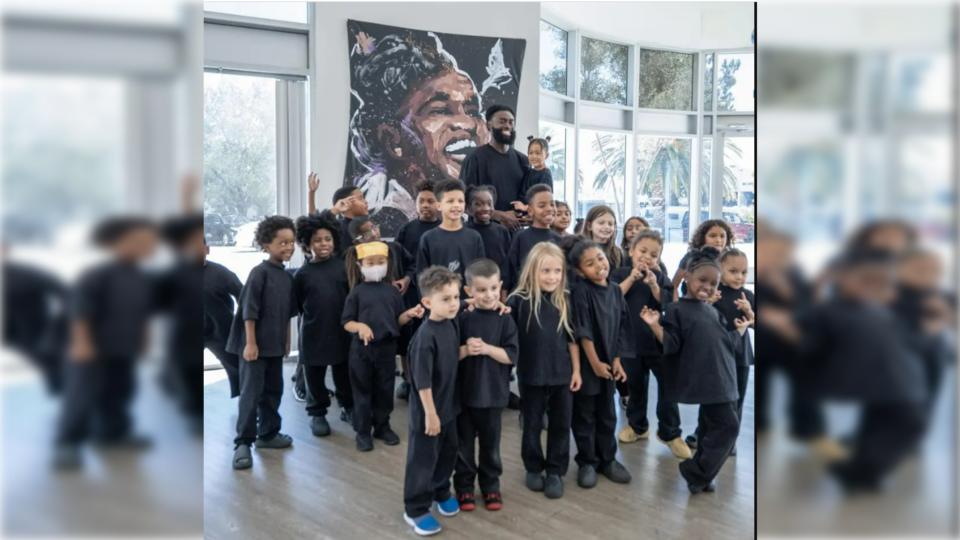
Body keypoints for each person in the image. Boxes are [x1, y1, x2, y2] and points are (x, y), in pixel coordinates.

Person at [761, 248, 926, 493]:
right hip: (882, 380)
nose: (878, 288)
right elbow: (810, 345)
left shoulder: (878, 312)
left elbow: (906, 340)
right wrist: (785, 326)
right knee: (908, 422)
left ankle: (862, 471)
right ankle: (862, 471)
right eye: (867, 281)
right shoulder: (831, 313)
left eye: (882, 283)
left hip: (893, 377)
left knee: (880, 424)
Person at [346, 32, 494, 237]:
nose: (467, 123)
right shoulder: (384, 223)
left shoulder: (475, 218)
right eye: (440, 110)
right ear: (393, 140)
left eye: (473, 111)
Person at [641, 247, 753, 494]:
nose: (707, 287)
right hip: (707, 380)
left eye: (713, 283)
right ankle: (697, 471)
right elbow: (671, 344)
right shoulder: (676, 310)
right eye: (702, 280)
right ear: (688, 276)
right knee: (729, 426)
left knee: (710, 427)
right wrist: (654, 325)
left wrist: (740, 330)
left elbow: (726, 342)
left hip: (724, 377)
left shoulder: (712, 311)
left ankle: (700, 476)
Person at [53, 217, 159, 470]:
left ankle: (113, 434)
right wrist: (82, 343)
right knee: (83, 395)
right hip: (93, 348)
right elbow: (79, 311)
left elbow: (142, 312)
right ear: (117, 243)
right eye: (138, 240)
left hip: (122, 347)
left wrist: (144, 338)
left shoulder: (140, 277)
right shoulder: (98, 274)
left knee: (120, 391)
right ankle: (67, 443)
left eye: (149, 241)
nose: (146, 245)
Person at [506, 242, 579, 499]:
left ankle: (556, 471)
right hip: (531, 376)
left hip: (562, 375)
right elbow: (506, 337)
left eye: (557, 271)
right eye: (545, 271)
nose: (552, 277)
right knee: (532, 424)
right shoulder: (517, 301)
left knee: (561, 425)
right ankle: (533, 467)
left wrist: (576, 371)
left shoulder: (566, 299)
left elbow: (572, 339)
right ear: (532, 270)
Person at [227, 216, 299, 470]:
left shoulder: (287, 277)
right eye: (283, 243)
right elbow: (249, 311)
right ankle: (243, 443)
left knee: (273, 391)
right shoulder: (259, 273)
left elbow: (288, 313)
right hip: (253, 348)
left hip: (274, 347)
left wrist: (286, 342)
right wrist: (250, 344)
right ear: (266, 245)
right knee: (251, 394)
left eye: (291, 242)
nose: (289, 247)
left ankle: (268, 434)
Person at [609, 230, 689, 459]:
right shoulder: (620, 273)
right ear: (631, 251)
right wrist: (632, 278)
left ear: (659, 258)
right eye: (642, 251)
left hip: (657, 342)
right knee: (635, 386)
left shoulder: (659, 276)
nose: (647, 257)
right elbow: (612, 297)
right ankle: (637, 426)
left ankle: (670, 432)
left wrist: (654, 285)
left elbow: (668, 303)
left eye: (654, 255)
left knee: (668, 386)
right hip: (629, 343)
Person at [342, 241, 425, 451]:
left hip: (387, 349)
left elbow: (396, 321)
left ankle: (382, 426)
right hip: (361, 350)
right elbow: (347, 322)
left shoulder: (393, 292)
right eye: (370, 263)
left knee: (385, 389)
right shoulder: (356, 293)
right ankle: (362, 431)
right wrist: (360, 326)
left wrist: (409, 314)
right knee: (362, 391)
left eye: (381, 262)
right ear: (360, 266)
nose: (376, 267)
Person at [565, 236, 633, 488]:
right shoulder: (581, 292)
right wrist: (594, 363)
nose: (598, 266)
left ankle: (608, 460)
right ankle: (587, 461)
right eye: (590, 264)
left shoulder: (615, 290)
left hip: (608, 365)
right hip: (587, 365)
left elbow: (622, 326)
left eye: (600, 259)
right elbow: (582, 331)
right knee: (584, 415)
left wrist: (617, 360)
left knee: (607, 414)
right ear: (580, 271)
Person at [403, 266, 464, 536]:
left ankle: (440, 490)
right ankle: (415, 508)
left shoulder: (450, 323)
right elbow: (422, 381)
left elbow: (449, 358)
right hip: (428, 413)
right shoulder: (424, 337)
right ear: (427, 303)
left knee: (448, 453)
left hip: (448, 407)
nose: (454, 304)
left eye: (456, 297)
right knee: (423, 460)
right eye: (446, 299)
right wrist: (430, 413)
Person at [453, 259, 518, 512]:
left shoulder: (505, 319)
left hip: (493, 396)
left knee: (491, 447)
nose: (489, 295)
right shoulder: (461, 317)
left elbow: (511, 356)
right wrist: (466, 349)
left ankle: (491, 486)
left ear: (500, 286)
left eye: (493, 288)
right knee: (464, 447)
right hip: (464, 396)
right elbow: (449, 353)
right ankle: (464, 487)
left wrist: (488, 349)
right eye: (481, 290)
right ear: (468, 291)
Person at [293, 211, 354, 437]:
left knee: (344, 374)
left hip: (342, 332)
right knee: (314, 377)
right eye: (317, 240)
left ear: (334, 240)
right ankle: (317, 413)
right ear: (307, 244)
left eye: (327, 239)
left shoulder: (344, 268)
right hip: (313, 333)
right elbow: (298, 306)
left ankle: (348, 407)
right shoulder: (302, 274)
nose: (323, 244)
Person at [691, 248, 755, 456]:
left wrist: (749, 311)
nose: (739, 277)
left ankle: (729, 441)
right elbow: (698, 318)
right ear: (720, 269)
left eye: (744, 272)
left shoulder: (748, 296)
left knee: (737, 400)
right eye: (733, 271)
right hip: (716, 357)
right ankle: (704, 436)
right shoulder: (713, 292)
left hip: (740, 357)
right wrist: (708, 303)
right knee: (711, 399)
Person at [157, 214, 205, 434]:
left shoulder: (209, 271)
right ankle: (192, 414)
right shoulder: (175, 272)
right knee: (188, 374)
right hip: (183, 334)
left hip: (202, 330)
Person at [0, 237, 68, 395]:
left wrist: (61, 323)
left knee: (53, 362)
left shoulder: (27, 274)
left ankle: (64, 396)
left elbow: (66, 293)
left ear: (4, 251)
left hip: (31, 331)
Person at [459, 104, 529, 230]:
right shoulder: (474, 159)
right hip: (482, 234)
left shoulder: (523, 161)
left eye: (511, 122)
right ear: (489, 125)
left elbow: (528, 198)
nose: (507, 126)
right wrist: (499, 216)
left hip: (515, 234)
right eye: (502, 122)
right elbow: (463, 203)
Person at [416, 179, 486, 292]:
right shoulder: (428, 238)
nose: (456, 205)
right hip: (438, 300)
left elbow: (480, 273)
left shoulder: (474, 237)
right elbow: (422, 277)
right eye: (450, 201)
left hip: (469, 300)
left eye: (460, 201)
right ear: (439, 205)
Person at [505, 184, 561, 292]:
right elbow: (509, 271)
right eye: (542, 206)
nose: (549, 209)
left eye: (552, 204)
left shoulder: (560, 240)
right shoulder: (521, 237)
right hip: (524, 295)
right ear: (530, 211)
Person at [465, 185, 512, 301]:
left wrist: (503, 293)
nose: (485, 208)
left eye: (489, 204)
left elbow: (507, 264)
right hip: (473, 291)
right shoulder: (465, 232)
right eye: (478, 204)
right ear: (469, 208)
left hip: (497, 290)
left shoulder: (502, 231)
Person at [672, 219, 733, 302]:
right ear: (702, 237)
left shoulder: (729, 258)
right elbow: (674, 285)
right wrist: (675, 305)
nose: (718, 240)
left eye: (722, 236)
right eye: (712, 236)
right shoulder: (692, 257)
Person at [307, 173, 369, 253]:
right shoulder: (339, 228)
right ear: (347, 202)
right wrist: (311, 193)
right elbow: (314, 224)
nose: (366, 202)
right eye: (360, 198)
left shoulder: (363, 227)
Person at [519, 136, 553, 201]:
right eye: (530, 153)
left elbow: (544, 199)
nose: (534, 156)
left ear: (546, 155)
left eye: (538, 153)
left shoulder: (545, 175)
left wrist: (526, 206)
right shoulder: (529, 172)